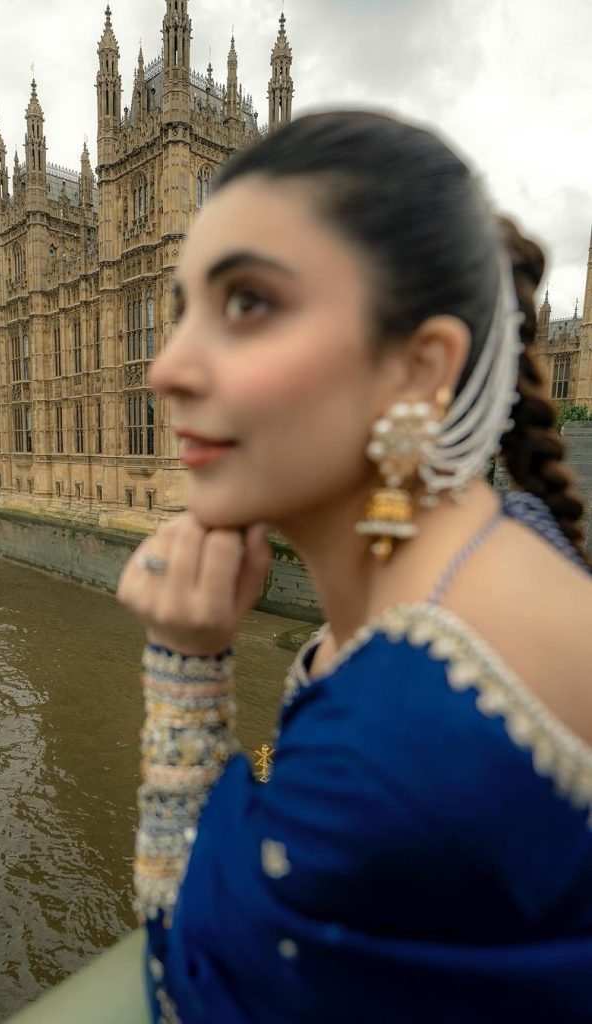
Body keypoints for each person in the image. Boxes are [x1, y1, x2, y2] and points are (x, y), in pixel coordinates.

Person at [116, 111, 592, 1023]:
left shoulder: (392, 748)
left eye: (247, 303)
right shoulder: (520, 532)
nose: (164, 368)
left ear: (422, 368)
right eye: (179, 314)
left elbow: (194, 992)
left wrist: (185, 667)